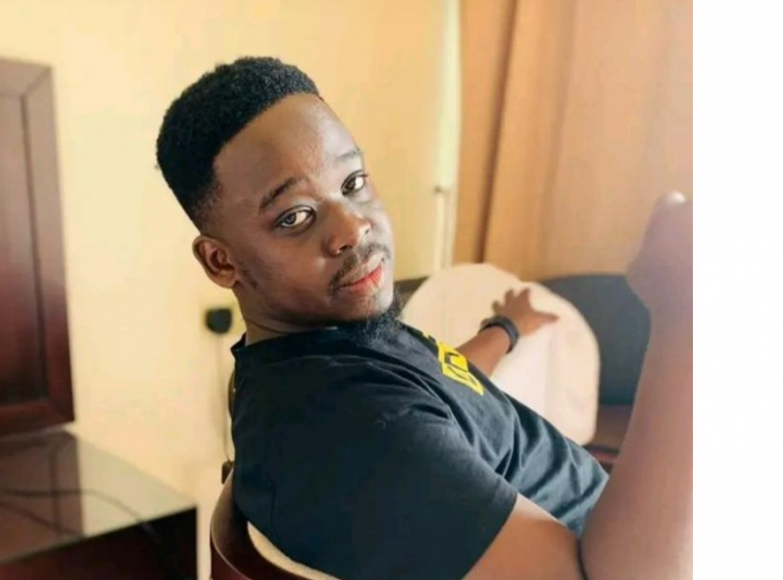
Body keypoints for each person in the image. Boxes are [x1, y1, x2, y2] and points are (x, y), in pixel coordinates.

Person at [156, 57, 692, 580]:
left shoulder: (327, 350)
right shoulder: (353, 437)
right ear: (221, 261)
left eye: (352, 182)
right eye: (295, 216)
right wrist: (685, 316)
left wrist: (505, 330)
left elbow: (432, 386)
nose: (352, 228)